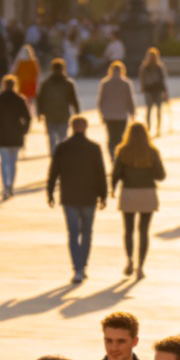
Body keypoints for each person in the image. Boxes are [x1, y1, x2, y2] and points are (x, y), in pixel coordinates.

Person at [47, 115, 107, 284]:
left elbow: (54, 171)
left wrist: (50, 192)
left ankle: (77, 268)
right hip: (89, 197)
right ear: (86, 127)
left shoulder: (63, 147)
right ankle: (83, 266)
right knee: (87, 233)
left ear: (71, 127)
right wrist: (103, 195)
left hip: (70, 197)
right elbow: (100, 173)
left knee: (73, 233)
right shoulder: (94, 148)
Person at [111, 120, 165, 279]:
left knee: (128, 230)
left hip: (129, 192)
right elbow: (161, 175)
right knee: (144, 231)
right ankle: (140, 266)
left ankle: (129, 261)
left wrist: (112, 188)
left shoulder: (122, 151)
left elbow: (116, 173)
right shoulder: (152, 152)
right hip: (147, 193)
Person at [0, 74, 31, 199]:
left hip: (2, 134)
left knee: (4, 162)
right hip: (16, 135)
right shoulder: (19, 99)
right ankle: (11, 185)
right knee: (13, 162)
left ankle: (5, 186)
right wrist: (24, 130)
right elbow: (27, 118)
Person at [36, 58, 80, 156]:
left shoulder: (46, 83)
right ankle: (61, 156)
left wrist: (39, 112)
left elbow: (40, 99)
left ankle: (54, 157)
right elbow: (73, 99)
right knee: (62, 138)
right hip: (63, 115)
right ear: (63, 69)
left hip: (50, 115)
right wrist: (77, 111)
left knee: (52, 139)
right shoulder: (68, 83)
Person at [96, 60, 136, 160]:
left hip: (109, 115)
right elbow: (130, 99)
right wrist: (132, 112)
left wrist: (102, 113)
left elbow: (101, 100)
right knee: (120, 137)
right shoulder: (126, 83)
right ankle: (119, 157)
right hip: (122, 115)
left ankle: (112, 157)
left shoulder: (105, 83)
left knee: (111, 138)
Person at [138, 47, 168, 136]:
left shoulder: (159, 67)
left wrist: (165, 91)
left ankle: (158, 128)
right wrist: (142, 87)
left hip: (158, 89)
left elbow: (163, 79)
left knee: (159, 109)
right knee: (149, 109)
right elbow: (142, 78)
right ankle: (148, 127)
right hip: (148, 89)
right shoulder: (145, 67)